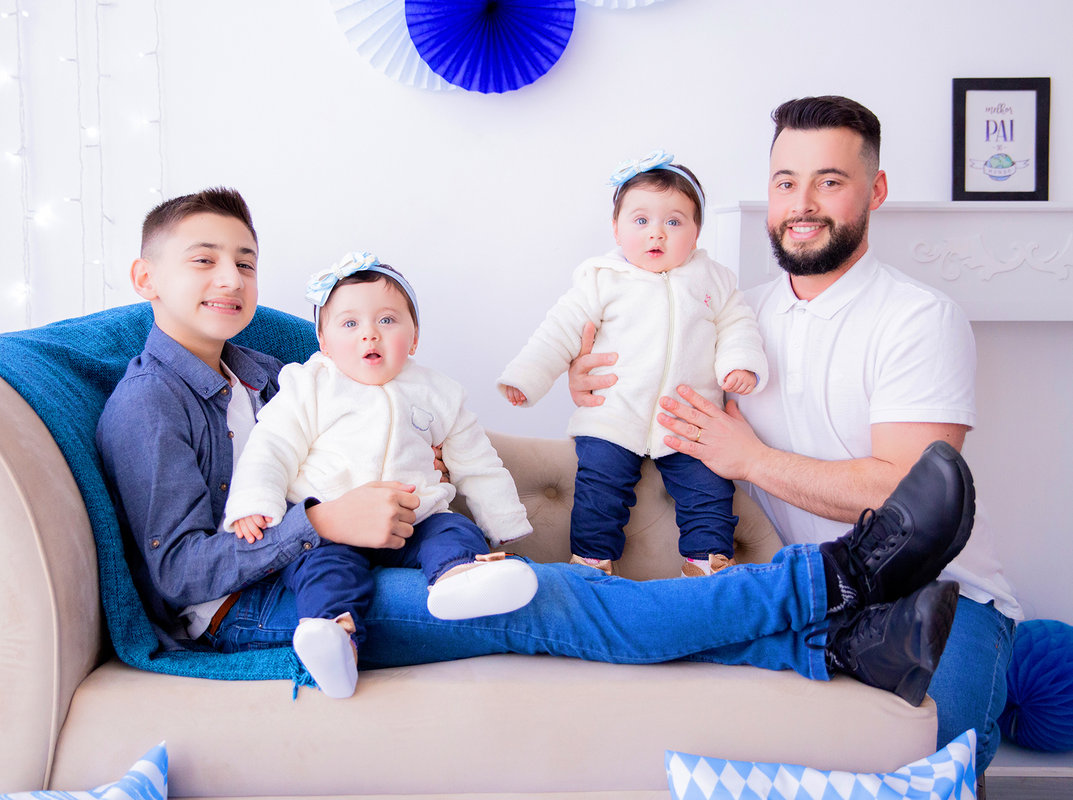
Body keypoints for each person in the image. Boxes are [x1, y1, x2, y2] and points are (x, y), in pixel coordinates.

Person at [98, 185, 969, 708]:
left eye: (245, 263)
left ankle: (844, 647)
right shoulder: (150, 404)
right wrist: (320, 523)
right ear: (146, 279)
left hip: (362, 555)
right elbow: (177, 580)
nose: (230, 281)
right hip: (257, 611)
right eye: (203, 261)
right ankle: (844, 575)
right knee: (552, 602)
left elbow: (373, 382)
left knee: (529, 598)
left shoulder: (265, 363)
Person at [567, 96, 1021, 772]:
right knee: (612, 635)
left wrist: (748, 458)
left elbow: (903, 497)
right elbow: (646, 399)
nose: (802, 203)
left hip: (938, 596)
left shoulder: (919, 319)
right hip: (798, 593)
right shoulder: (733, 317)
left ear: (876, 190)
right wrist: (590, 382)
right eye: (786, 182)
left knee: (930, 764)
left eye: (829, 181)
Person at [221, 252, 538, 698]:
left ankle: (457, 580)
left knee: (454, 529)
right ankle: (335, 641)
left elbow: (478, 462)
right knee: (324, 571)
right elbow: (271, 446)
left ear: (414, 337)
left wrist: (503, 520)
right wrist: (256, 502)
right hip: (332, 524)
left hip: (416, 518)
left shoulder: (439, 392)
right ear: (324, 342)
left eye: (387, 320)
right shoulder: (310, 385)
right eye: (349, 324)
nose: (369, 332)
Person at [498, 153, 767, 577]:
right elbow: (558, 332)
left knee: (708, 489)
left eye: (674, 222)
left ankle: (706, 561)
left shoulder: (713, 280)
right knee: (599, 487)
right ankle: (591, 561)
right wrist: (526, 378)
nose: (656, 233)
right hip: (614, 414)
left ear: (696, 232)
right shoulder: (601, 280)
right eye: (640, 221)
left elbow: (737, 324)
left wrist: (740, 363)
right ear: (616, 229)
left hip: (688, 419)